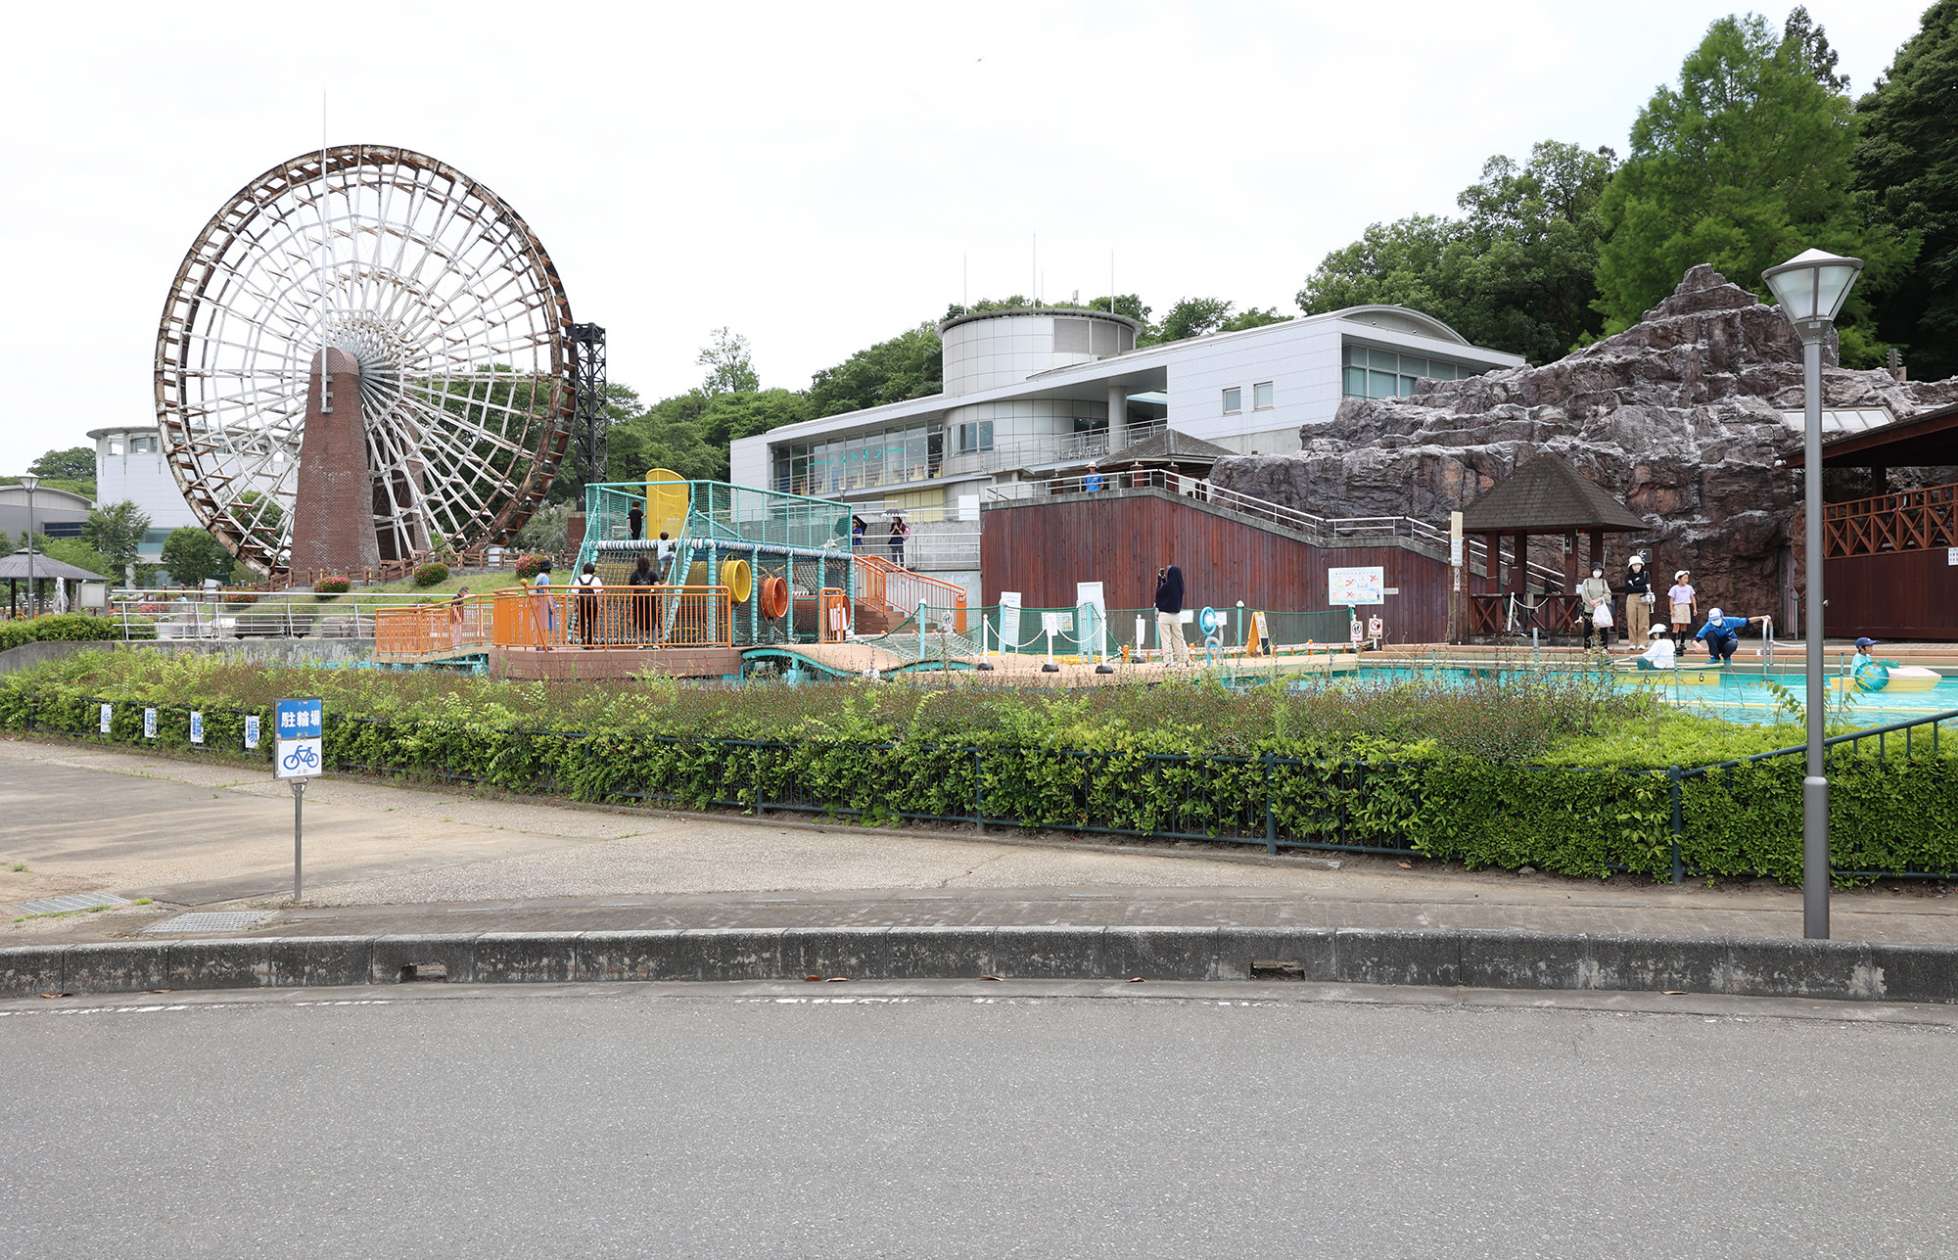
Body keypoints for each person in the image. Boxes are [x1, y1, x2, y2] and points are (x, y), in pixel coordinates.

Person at [1695, 607, 1765, 664]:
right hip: (1716, 646)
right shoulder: (1709, 625)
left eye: (1717, 618)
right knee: (1709, 634)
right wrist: (1697, 645)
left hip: (1727, 643)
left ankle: (1726, 656)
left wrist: (1761, 618)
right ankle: (1714, 657)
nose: (1715, 620)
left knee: (1734, 642)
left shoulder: (1729, 620)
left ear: (1722, 616)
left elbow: (1747, 621)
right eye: (1713, 619)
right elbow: (1695, 639)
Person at [1154, 562, 1188, 666]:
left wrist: (1160, 580)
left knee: (1166, 640)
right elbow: (1170, 590)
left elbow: (1159, 594)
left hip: (1164, 616)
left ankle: (1168, 662)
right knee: (1179, 638)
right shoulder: (1180, 587)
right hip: (1176, 616)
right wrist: (1165, 580)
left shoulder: (1167, 586)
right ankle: (1183, 659)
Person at [1578, 565, 1612, 650]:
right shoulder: (1587, 581)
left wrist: (1599, 600)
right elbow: (1584, 593)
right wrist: (1591, 602)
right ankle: (1587, 648)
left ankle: (1604, 648)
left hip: (1600, 609)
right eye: (1596, 570)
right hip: (1589, 609)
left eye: (1599, 570)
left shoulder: (1603, 582)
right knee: (1587, 630)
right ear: (1592, 571)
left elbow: (1607, 594)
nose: (1597, 572)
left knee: (1603, 629)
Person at [1623, 554, 1653, 642]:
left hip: (1644, 598)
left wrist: (1634, 586)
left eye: (1638, 564)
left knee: (1643, 621)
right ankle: (1632, 642)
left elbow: (1646, 588)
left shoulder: (1645, 574)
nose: (1637, 567)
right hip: (1631, 598)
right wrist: (1640, 587)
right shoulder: (1628, 576)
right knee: (1631, 620)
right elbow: (1628, 590)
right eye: (1634, 565)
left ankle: (1643, 642)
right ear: (1631, 566)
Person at [573, 561, 603, 647]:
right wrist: (599, 605)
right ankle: (590, 641)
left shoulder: (579, 579)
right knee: (591, 622)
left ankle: (582, 638)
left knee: (582, 621)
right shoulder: (596, 579)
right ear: (593, 570)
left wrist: (576, 604)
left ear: (584, 570)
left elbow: (574, 594)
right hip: (593, 605)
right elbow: (599, 594)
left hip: (581, 604)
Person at [1667, 569, 1696, 654]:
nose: (1686, 580)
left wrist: (1694, 608)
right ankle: (1673, 644)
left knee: (1684, 626)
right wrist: (1672, 610)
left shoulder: (1689, 588)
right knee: (1676, 626)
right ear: (1679, 579)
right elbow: (1671, 600)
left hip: (1686, 607)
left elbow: (1692, 598)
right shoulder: (1674, 588)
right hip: (1677, 607)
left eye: (1687, 578)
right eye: (1684, 578)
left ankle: (1682, 643)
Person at [628, 554, 655, 642]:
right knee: (652, 619)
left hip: (638, 601)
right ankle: (652, 641)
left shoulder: (634, 574)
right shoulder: (652, 573)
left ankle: (640, 641)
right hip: (650, 600)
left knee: (639, 619)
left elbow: (632, 590)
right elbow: (658, 587)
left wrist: (631, 602)